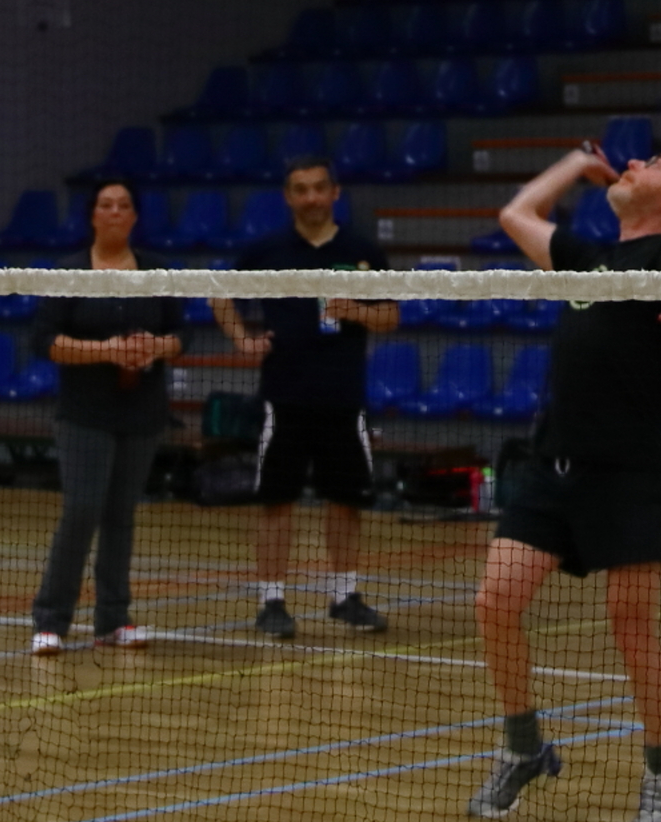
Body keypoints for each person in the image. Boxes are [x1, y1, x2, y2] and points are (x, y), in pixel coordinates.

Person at [468, 144, 661, 822]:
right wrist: (578, 162)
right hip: (553, 466)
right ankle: (524, 746)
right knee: (494, 602)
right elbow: (516, 213)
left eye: (655, 162)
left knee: (630, 623)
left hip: (630, 471)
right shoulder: (588, 257)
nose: (634, 163)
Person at [213, 156, 396, 640]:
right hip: (284, 396)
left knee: (346, 502)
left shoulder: (363, 251)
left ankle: (345, 595)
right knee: (277, 502)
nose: (311, 197)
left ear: (335, 192)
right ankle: (272, 601)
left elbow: (391, 316)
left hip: (344, 396)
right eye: (301, 189)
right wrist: (243, 340)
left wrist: (357, 311)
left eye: (319, 187)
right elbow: (219, 296)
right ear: (288, 197)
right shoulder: (266, 250)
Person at [30, 181, 185, 655]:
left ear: (134, 216)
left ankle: (113, 619)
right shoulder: (69, 272)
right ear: (93, 215)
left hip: (142, 411)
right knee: (81, 511)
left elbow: (180, 336)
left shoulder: (157, 270)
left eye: (123, 205)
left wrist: (154, 346)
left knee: (121, 515)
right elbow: (45, 342)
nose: (115, 212)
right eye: (106, 205)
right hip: (84, 413)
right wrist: (106, 351)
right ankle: (51, 620)